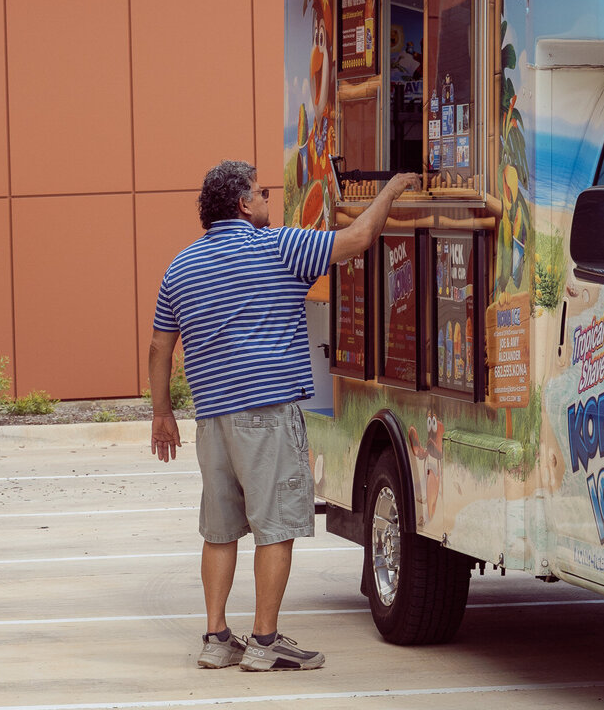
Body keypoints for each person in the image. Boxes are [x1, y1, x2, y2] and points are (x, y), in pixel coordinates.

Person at [149, 161, 418, 671]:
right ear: (243, 204)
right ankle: (265, 643)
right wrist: (391, 190)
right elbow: (359, 239)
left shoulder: (179, 267)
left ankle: (216, 639)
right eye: (262, 192)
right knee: (275, 529)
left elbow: (160, 346)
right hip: (267, 414)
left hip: (212, 421)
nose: (269, 199)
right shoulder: (279, 247)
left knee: (219, 532)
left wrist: (162, 412)